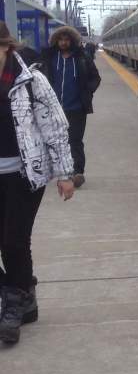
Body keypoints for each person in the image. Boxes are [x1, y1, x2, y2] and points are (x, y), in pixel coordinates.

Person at [0, 22, 76, 345]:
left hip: (23, 174)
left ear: (7, 47)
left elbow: (56, 128)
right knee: (12, 243)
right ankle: (23, 294)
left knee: (13, 241)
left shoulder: (32, 81)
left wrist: (65, 173)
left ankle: (14, 307)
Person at [40, 26, 101, 188]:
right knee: (56, 141)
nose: (64, 42)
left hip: (76, 108)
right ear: (56, 41)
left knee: (75, 141)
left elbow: (95, 77)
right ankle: (60, 171)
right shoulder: (49, 58)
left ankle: (77, 172)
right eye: (61, 40)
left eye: (66, 40)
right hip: (53, 108)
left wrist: (87, 93)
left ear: (72, 41)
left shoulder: (81, 57)